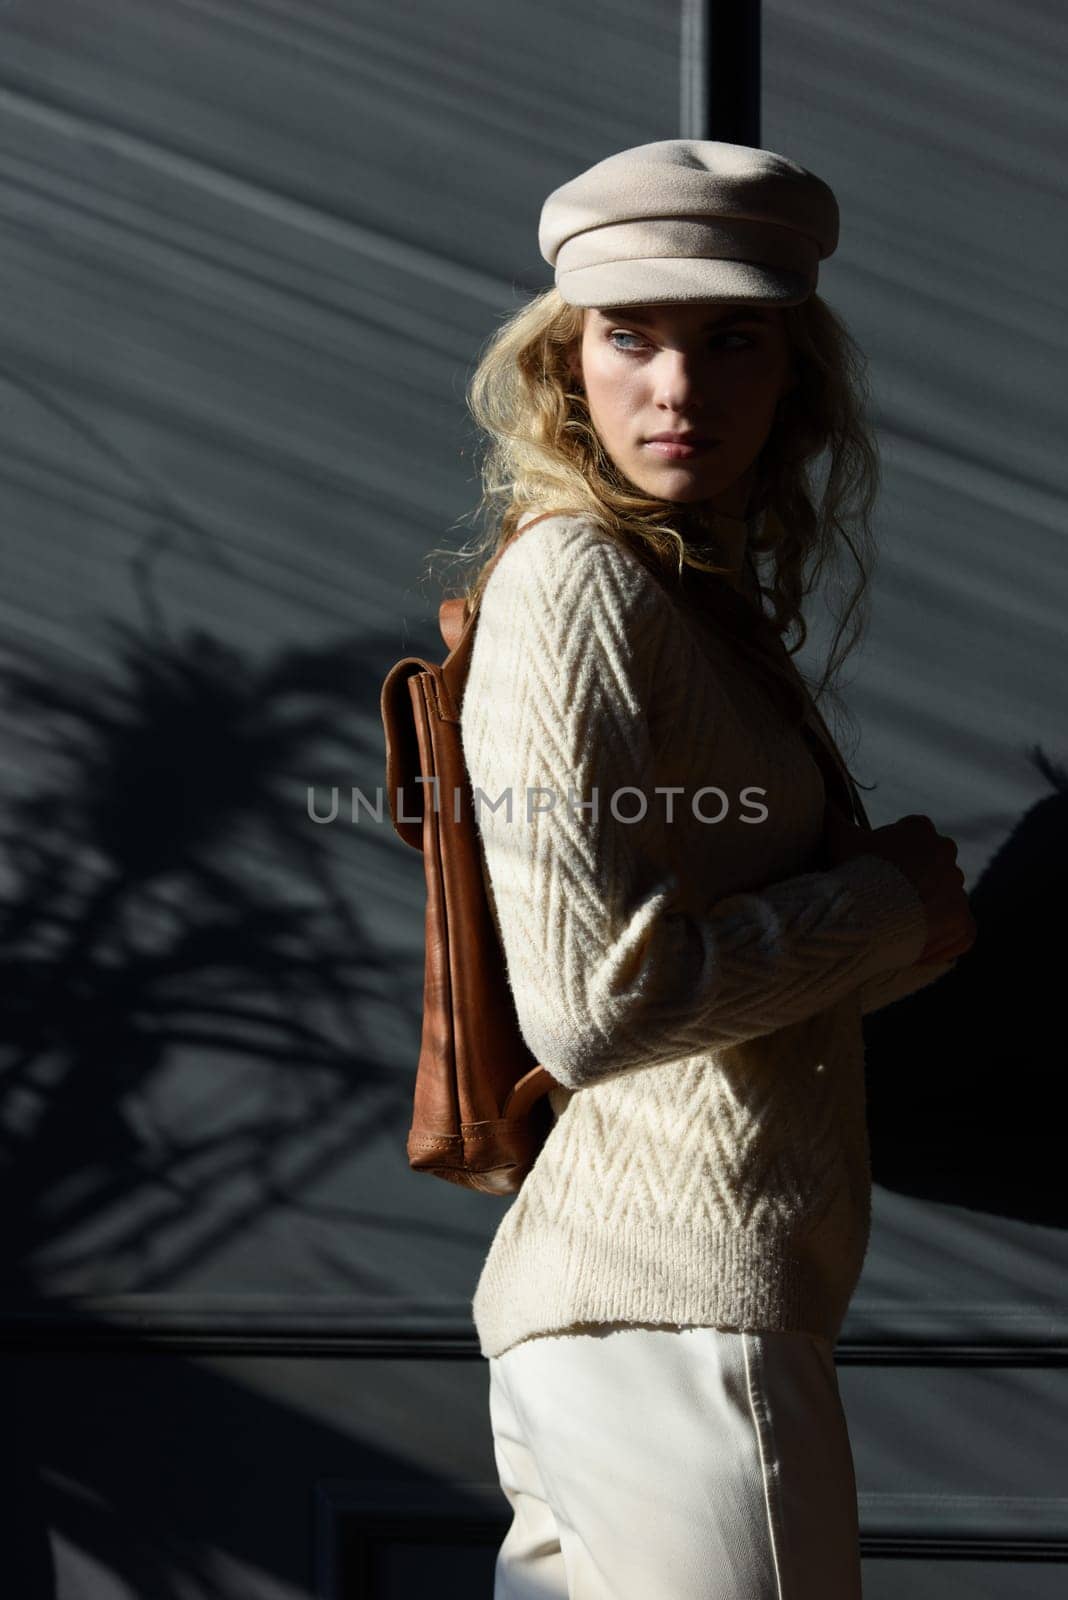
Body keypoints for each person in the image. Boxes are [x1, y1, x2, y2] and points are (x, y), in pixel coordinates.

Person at [453, 140, 975, 1599]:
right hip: (675, 1321)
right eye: (632, 336)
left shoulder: (687, 601)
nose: (678, 387)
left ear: (792, 372)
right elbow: (593, 1008)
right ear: (568, 363)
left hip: (654, 1317)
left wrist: (875, 940)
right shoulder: (581, 581)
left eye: (731, 339)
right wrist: (880, 911)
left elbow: (712, 994)